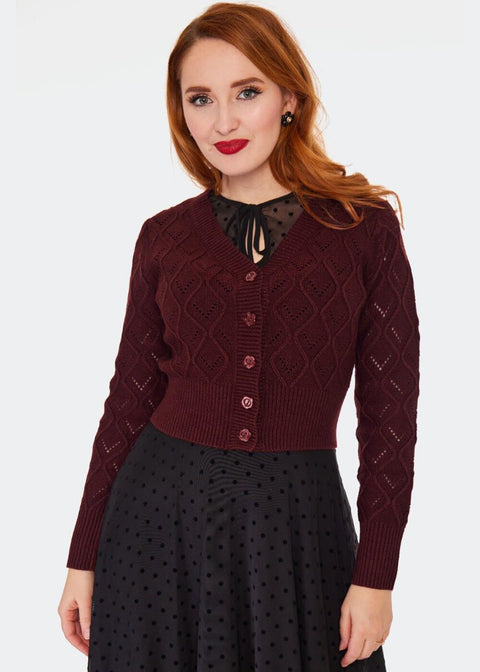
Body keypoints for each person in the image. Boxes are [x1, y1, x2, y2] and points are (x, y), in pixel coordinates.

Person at [58, 3, 420, 670]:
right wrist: (83, 556)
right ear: (182, 112)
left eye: (246, 92)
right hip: (157, 526)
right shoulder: (164, 238)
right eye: (201, 99)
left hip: (297, 529)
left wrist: (377, 575)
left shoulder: (362, 230)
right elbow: (129, 401)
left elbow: (389, 417)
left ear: (289, 98)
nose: (222, 121)